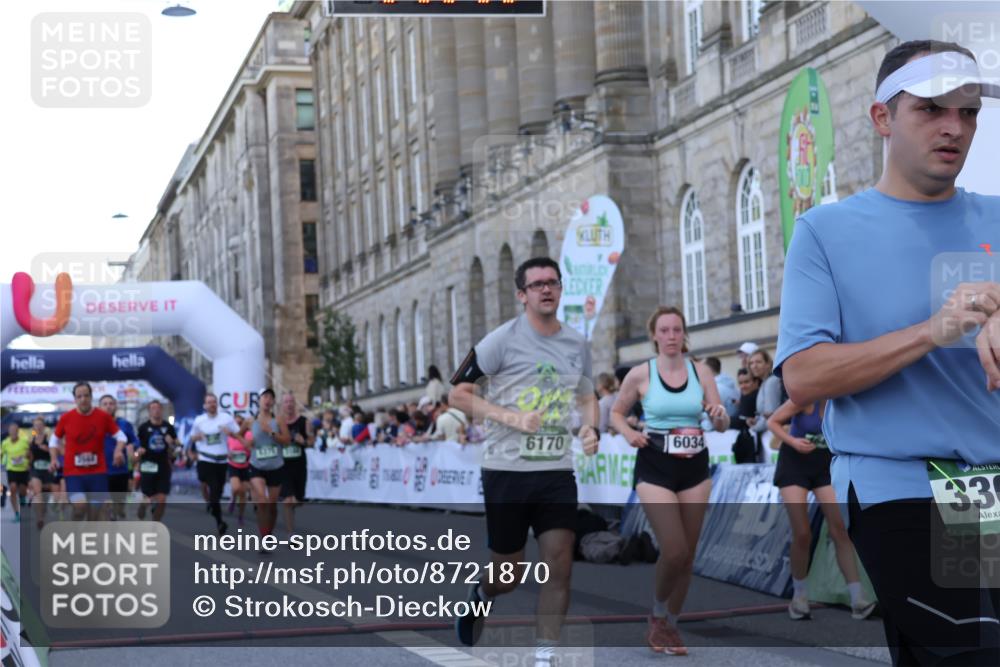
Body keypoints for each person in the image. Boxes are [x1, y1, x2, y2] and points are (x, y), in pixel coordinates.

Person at [776, 40, 1000, 665]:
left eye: (970, 110)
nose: (955, 127)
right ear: (881, 118)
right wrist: (935, 329)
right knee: (974, 652)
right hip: (899, 487)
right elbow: (803, 376)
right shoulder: (827, 231)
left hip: (991, 486)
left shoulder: (998, 216)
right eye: (930, 109)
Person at [450, 257, 599, 667]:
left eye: (552, 282)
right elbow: (459, 394)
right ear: (522, 295)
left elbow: (587, 396)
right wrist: (511, 417)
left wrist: (591, 429)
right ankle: (481, 594)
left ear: (560, 289)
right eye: (536, 285)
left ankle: (545, 655)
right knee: (508, 576)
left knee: (560, 561)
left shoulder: (576, 343)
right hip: (507, 470)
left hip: (555, 469)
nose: (545, 290)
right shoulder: (500, 340)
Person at [610, 306, 730, 656]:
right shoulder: (640, 374)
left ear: (684, 334)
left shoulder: (701, 371)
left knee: (687, 556)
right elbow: (617, 413)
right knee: (674, 550)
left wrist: (718, 416)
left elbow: (720, 420)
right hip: (654, 465)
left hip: (694, 465)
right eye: (665, 330)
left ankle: (670, 626)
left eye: (677, 330)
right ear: (654, 335)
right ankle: (658, 616)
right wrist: (628, 433)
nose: (672, 336)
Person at [767, 398, 875, 620]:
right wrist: (792, 441)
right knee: (803, 533)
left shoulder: (842, 400)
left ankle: (858, 599)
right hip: (794, 464)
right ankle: (799, 597)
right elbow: (773, 422)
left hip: (823, 465)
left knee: (840, 529)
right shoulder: (806, 396)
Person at [49, 382, 127, 520]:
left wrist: (118, 451)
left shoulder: (103, 417)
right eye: (79, 396)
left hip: (98, 473)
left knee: (94, 514)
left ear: (91, 397)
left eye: (86, 395)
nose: (83, 399)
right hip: (74, 473)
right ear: (75, 399)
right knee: (80, 507)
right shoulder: (66, 418)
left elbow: (121, 436)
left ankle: (87, 538)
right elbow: (53, 441)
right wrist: (54, 459)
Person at [243, 388, 289, 551]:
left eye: (270, 397)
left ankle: (268, 534)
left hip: (275, 466)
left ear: (273, 402)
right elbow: (239, 435)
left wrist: (271, 432)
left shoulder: (279, 420)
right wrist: (246, 443)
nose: (267, 400)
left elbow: (287, 441)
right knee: (262, 500)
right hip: (257, 466)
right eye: (265, 397)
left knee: (272, 505)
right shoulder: (250, 421)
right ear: (259, 401)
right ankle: (263, 538)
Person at [190, 393, 239, 536]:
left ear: (217, 404)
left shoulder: (226, 418)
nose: (212, 404)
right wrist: (198, 437)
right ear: (204, 405)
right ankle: (219, 521)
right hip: (205, 459)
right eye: (209, 402)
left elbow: (238, 433)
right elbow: (192, 437)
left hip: (222, 460)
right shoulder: (200, 420)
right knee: (212, 488)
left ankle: (215, 511)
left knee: (218, 491)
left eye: (214, 402)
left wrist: (229, 433)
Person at [135, 399, 178, 522]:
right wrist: (139, 453)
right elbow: (137, 448)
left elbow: (176, 447)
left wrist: (172, 443)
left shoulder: (168, 427)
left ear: (162, 410)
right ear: (149, 412)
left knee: (162, 499)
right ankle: (143, 506)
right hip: (148, 465)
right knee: (147, 497)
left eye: (158, 408)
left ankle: (156, 523)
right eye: (153, 408)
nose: (156, 411)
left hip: (163, 465)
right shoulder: (143, 428)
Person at [98, 395, 138, 520]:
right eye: (105, 404)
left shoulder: (124, 424)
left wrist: (132, 447)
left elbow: (135, 441)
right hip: (101, 470)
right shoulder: (95, 425)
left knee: (119, 506)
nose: (108, 406)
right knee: (105, 504)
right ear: (100, 407)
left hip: (120, 470)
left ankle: (115, 514)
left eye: (111, 403)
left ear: (116, 406)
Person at [279, 392, 311, 537]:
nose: (289, 405)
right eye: (286, 402)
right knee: (288, 500)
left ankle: (297, 501)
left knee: (297, 500)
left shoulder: (304, 422)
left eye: (291, 402)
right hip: (283, 466)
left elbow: (312, 441)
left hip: (299, 465)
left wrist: (302, 441)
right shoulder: (277, 423)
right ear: (282, 405)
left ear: (295, 404)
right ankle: (291, 534)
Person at [27, 417, 58, 528]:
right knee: (38, 492)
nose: (38, 427)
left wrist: (48, 449)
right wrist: (27, 458)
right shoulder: (31, 439)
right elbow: (29, 456)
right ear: (34, 427)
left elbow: (57, 452)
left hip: (48, 470)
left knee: (48, 495)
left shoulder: (49, 438)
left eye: (40, 424)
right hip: (35, 469)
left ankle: (44, 513)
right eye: (36, 425)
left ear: (44, 426)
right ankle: (39, 518)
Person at [1, 423, 30, 523]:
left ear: (18, 431)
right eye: (11, 430)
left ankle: (23, 498)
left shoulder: (24, 441)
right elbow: (2, 453)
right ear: (9, 432)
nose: (13, 432)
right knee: (13, 488)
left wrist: (27, 460)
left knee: (22, 490)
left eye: (15, 430)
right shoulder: (5, 443)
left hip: (23, 469)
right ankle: (17, 514)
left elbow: (30, 454)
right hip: (11, 469)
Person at [227, 414, 252, 526]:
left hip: (246, 466)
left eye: (240, 423)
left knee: (243, 493)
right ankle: (233, 498)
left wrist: (248, 452)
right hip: (233, 465)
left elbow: (252, 448)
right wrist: (229, 454)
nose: (238, 425)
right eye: (236, 423)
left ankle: (240, 516)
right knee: (236, 488)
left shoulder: (249, 434)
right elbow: (225, 449)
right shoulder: (230, 437)